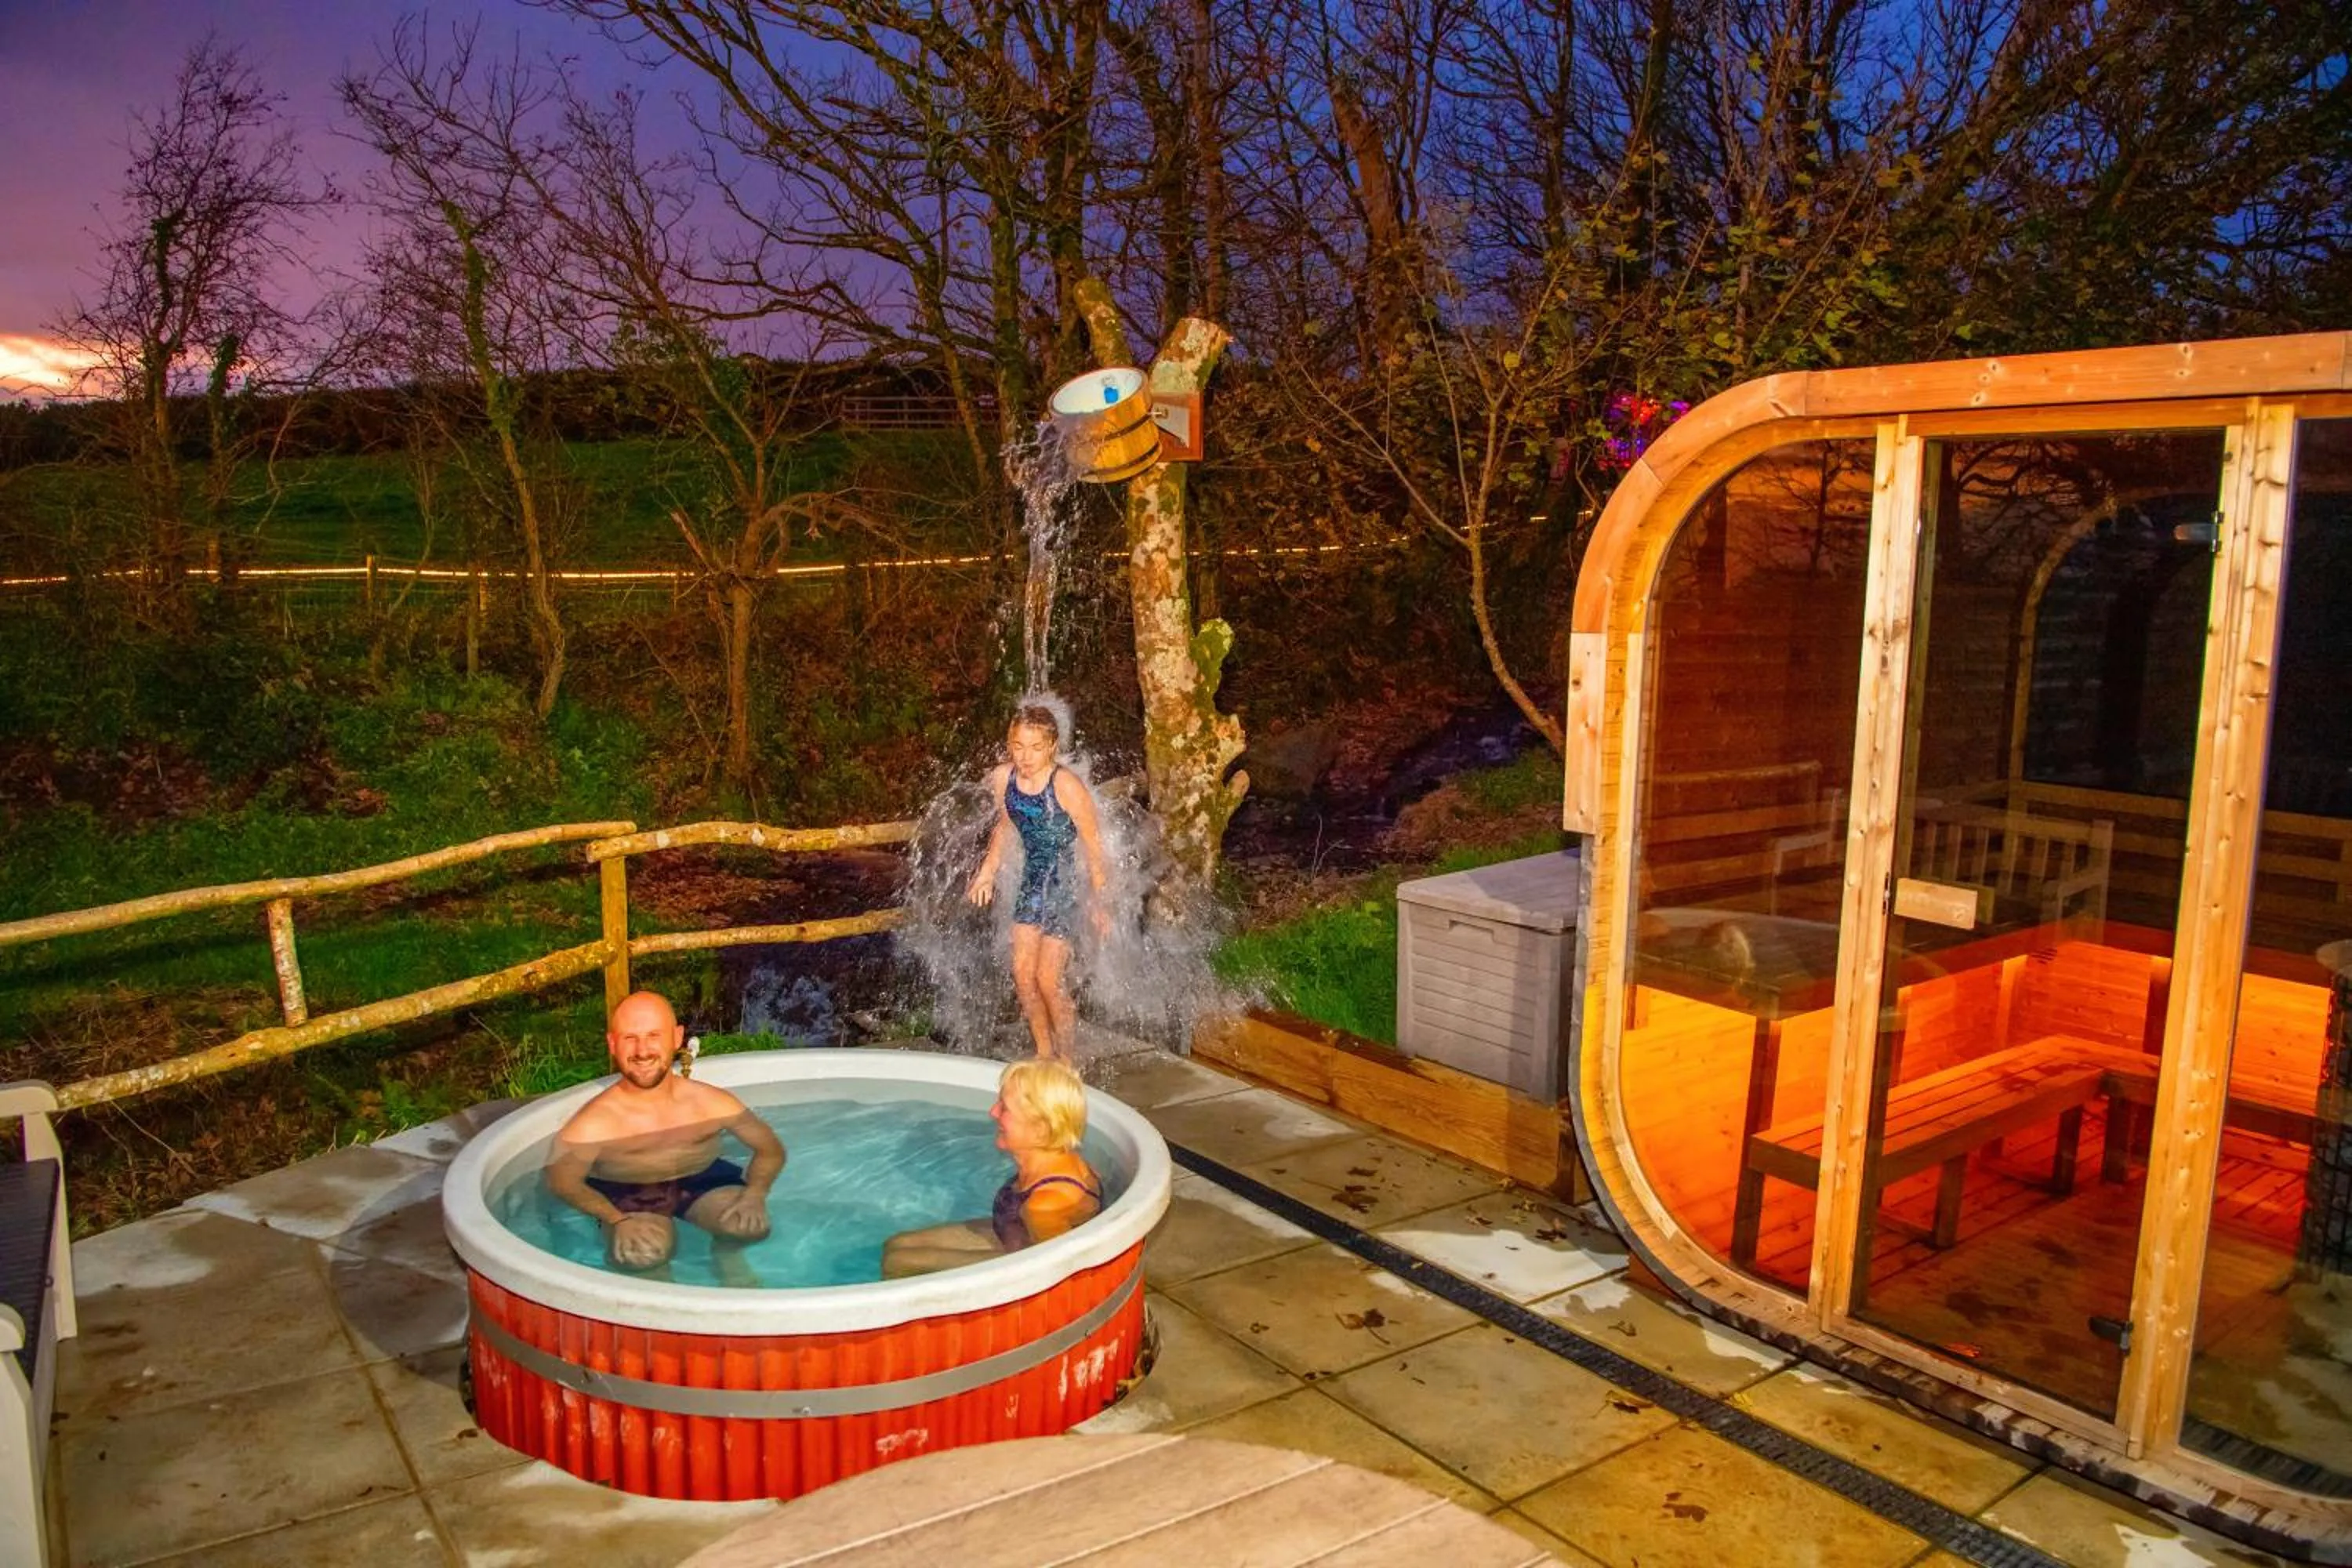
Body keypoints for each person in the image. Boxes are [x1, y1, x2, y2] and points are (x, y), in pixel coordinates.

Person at [543, 990, 787, 1270]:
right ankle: (657, 1293)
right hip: (628, 1193)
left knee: (748, 1225)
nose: (642, 1051)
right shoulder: (593, 1123)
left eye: (653, 1036)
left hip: (701, 1179)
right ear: (612, 1044)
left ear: (677, 1037)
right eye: (630, 1038)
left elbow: (770, 1150)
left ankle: (728, 1258)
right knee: (641, 1254)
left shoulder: (713, 1104)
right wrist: (615, 1219)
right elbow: (561, 1182)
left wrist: (755, 1193)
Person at [967, 703, 1111, 1060]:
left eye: (1035, 747)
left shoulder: (1065, 785)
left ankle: (1067, 1060)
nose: (1025, 756)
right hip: (1033, 884)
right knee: (1022, 975)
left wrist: (1100, 904)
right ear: (1009, 744)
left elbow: (1095, 849)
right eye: (1018, 746)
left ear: (1051, 747)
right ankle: (1043, 1053)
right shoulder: (1004, 779)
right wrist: (986, 872)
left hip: (1065, 888)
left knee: (1048, 980)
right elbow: (1004, 826)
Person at [880, 1058, 1103, 1278]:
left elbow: (1052, 1272)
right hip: (1013, 1234)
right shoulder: (1056, 1157)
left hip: (1022, 1259)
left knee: (898, 1262)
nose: (993, 1112)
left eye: (1004, 1108)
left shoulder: (1044, 1205)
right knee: (897, 1243)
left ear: (1040, 1130)